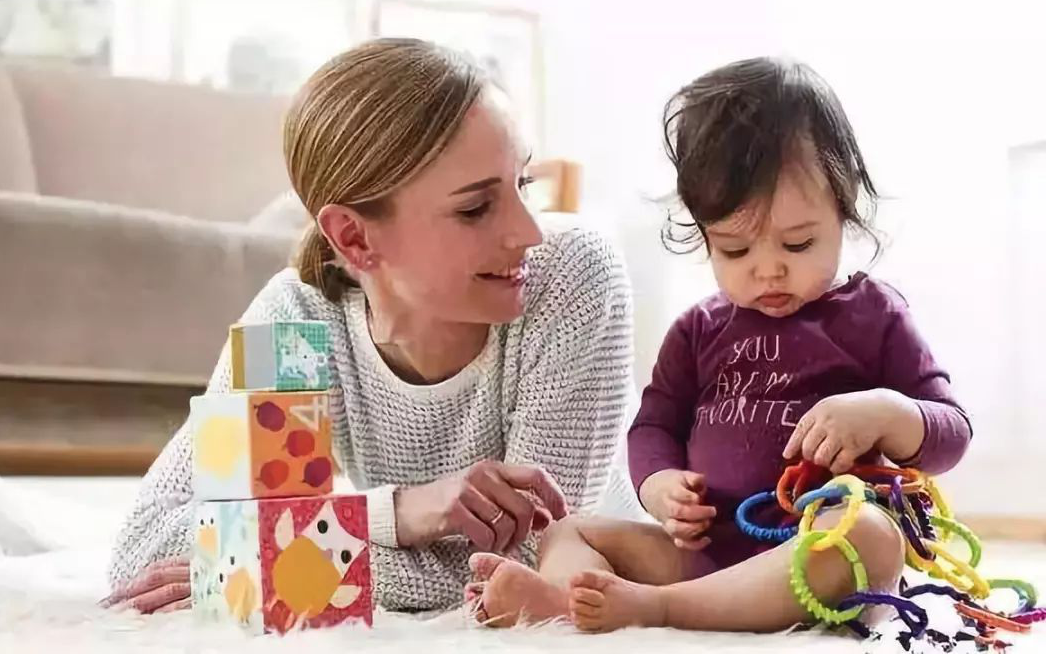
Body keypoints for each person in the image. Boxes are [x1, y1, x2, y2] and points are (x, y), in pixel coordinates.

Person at [102, 38, 635, 614]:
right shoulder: (298, 320)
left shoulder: (571, 275)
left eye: (522, 183)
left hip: (637, 583)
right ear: (354, 238)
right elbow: (147, 546)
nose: (529, 232)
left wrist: (257, 566)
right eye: (475, 208)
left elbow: (530, 561)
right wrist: (399, 512)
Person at [467, 57, 971, 633]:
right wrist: (658, 486)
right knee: (566, 529)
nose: (768, 271)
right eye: (735, 251)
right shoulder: (698, 331)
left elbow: (949, 434)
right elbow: (654, 427)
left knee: (871, 537)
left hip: (813, 553)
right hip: (707, 556)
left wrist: (887, 412)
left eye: (799, 243)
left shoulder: (875, 314)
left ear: (843, 205)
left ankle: (655, 610)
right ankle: (565, 603)